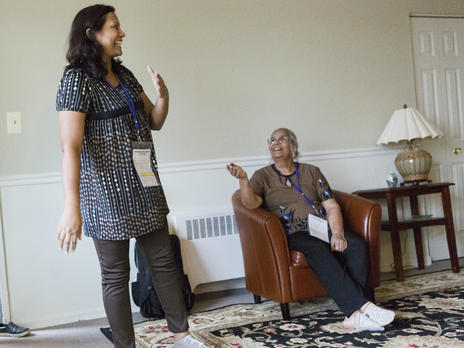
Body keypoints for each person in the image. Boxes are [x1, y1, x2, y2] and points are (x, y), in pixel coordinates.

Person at [56, 5, 210, 348]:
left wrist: (163, 95)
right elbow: (70, 147)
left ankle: (182, 335)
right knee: (115, 276)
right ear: (91, 34)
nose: (122, 33)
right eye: (114, 27)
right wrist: (72, 206)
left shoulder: (123, 75)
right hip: (105, 195)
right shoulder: (76, 80)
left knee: (164, 264)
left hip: (145, 186)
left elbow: (154, 120)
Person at [227, 128, 395, 331]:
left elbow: (331, 206)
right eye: (271, 140)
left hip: (321, 226)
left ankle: (354, 315)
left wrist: (339, 234)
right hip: (293, 232)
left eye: (282, 139)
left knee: (357, 245)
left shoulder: (311, 171)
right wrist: (243, 180)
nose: (275, 143)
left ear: (294, 146)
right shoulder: (262, 176)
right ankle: (365, 307)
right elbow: (251, 203)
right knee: (317, 249)